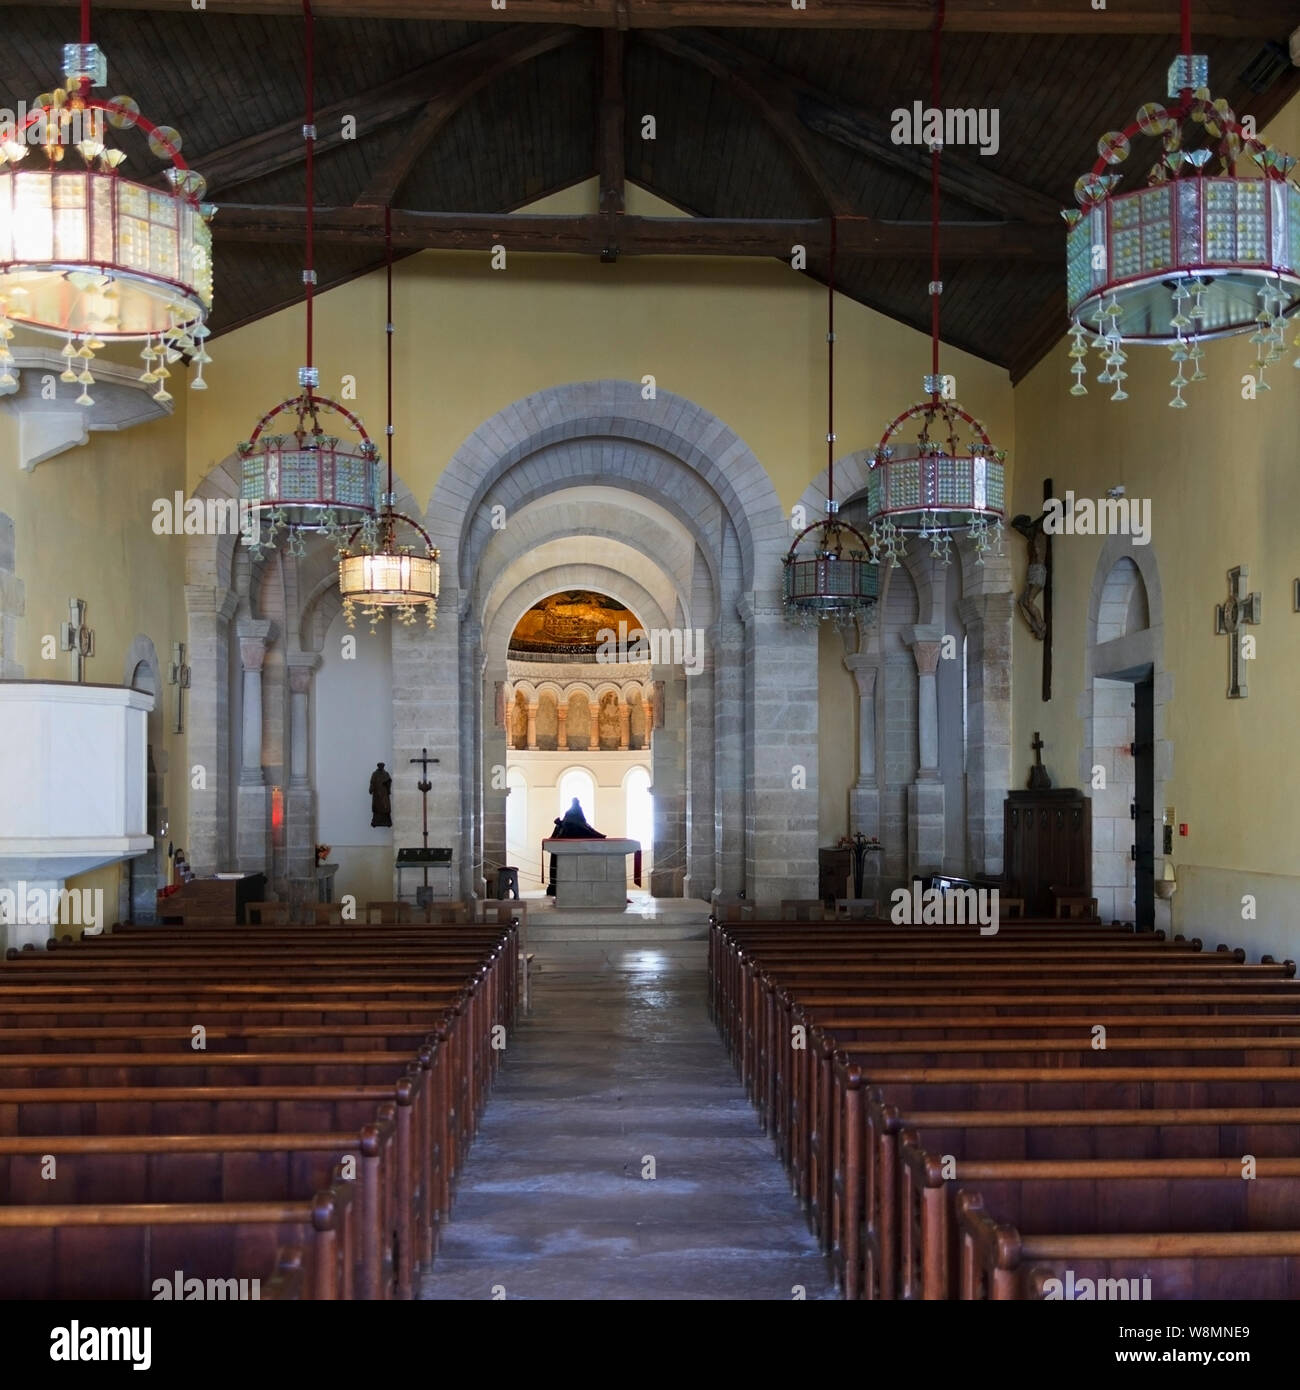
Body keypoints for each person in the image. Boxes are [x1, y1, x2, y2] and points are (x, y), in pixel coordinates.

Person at [546, 798, 605, 895]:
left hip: (567, 841)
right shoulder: (573, 812)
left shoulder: (573, 812)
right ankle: (557, 886)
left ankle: (557, 886)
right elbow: (582, 824)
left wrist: (561, 824)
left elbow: (580, 824)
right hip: (565, 843)